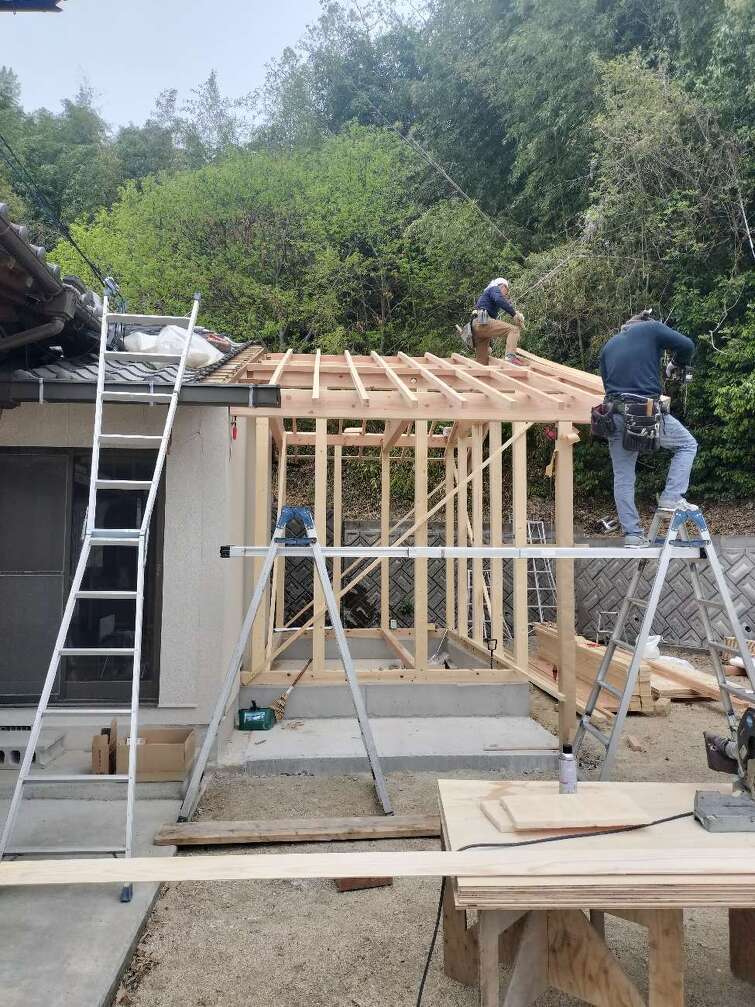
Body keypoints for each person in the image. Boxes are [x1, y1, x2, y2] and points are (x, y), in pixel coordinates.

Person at [599, 309, 697, 547]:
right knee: (687, 445)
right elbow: (687, 345)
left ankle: (632, 534)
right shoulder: (651, 328)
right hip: (644, 411)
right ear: (647, 322)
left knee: (623, 475)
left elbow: (607, 384)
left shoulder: (608, 346)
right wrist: (674, 363)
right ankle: (671, 497)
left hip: (612, 413)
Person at [470, 277, 525, 365]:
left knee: (482, 362)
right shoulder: (494, 288)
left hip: (476, 326)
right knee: (514, 330)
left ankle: (480, 369)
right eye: (506, 291)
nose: (505, 294)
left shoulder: (487, 294)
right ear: (502, 286)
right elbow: (499, 299)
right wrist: (514, 314)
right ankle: (510, 357)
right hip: (482, 321)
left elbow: (490, 328)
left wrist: (490, 344)